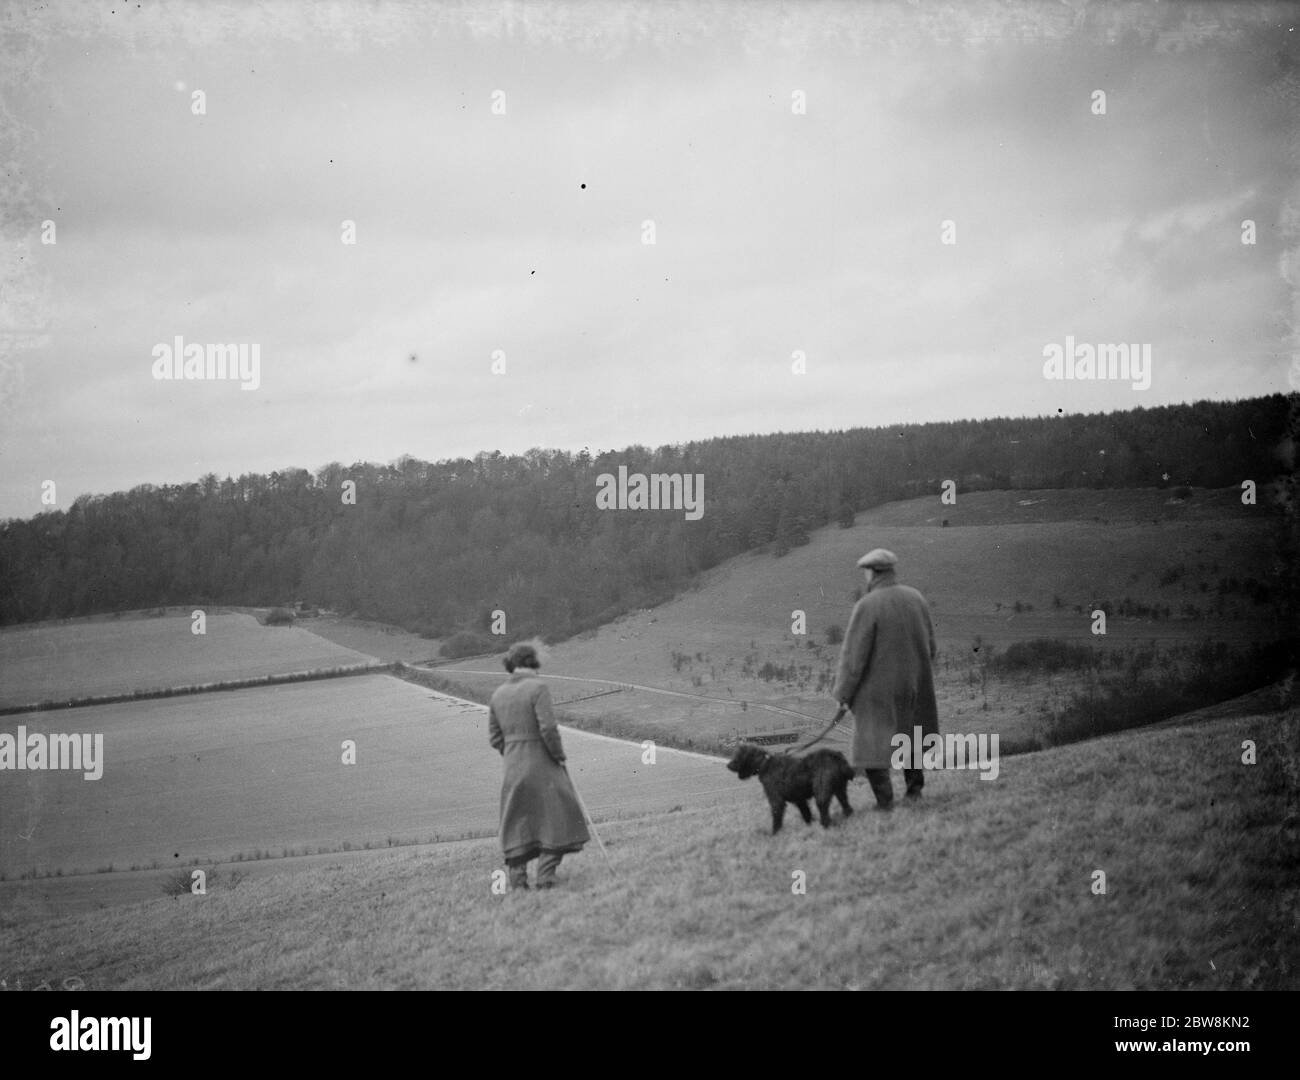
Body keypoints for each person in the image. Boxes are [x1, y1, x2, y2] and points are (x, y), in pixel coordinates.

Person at [831, 548, 939, 810]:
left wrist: (843, 695)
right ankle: (914, 792)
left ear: (871, 573)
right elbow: (931, 646)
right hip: (913, 685)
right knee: (911, 738)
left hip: (878, 693)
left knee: (871, 745)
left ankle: (885, 801)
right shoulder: (916, 598)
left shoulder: (867, 605)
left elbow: (853, 658)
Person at [488, 642, 589, 889]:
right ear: (533, 664)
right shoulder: (538, 687)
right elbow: (548, 728)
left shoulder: (498, 694)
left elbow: (494, 738)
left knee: (517, 820)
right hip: (542, 761)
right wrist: (558, 755)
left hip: (512, 766)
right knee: (559, 814)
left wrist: (513, 753)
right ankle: (546, 875)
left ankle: (518, 880)